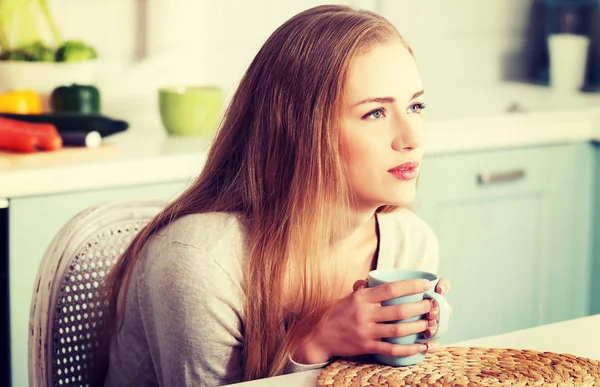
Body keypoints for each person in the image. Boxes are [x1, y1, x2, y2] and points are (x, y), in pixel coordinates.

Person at [101, 4, 451, 386]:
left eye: (415, 106)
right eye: (375, 114)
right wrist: (314, 346)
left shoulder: (411, 245)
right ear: (299, 131)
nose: (413, 138)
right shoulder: (199, 263)